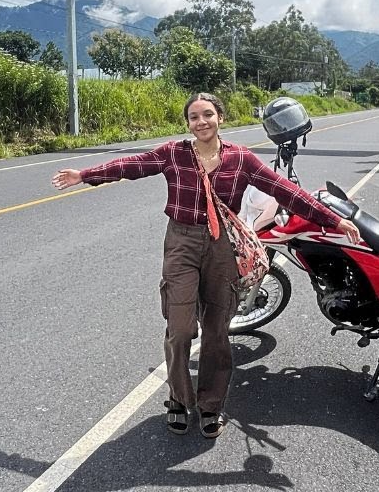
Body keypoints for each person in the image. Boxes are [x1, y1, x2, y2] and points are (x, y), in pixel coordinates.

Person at [52, 92, 361, 438]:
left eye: (208, 115)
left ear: (220, 118)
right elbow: (132, 165)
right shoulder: (174, 153)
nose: (201, 122)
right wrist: (85, 174)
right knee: (180, 329)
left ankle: (211, 405)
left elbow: (284, 190)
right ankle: (179, 399)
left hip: (222, 247)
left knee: (216, 331)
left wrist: (332, 219)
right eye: (194, 117)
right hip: (182, 242)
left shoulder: (241, 159)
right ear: (188, 123)